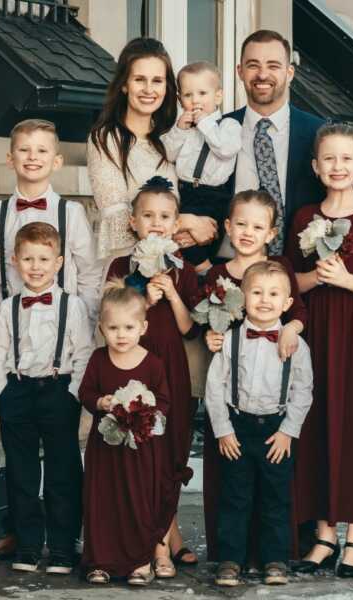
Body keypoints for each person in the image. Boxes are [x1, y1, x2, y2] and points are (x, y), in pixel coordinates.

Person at [285, 124, 353, 577]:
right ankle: (324, 535)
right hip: (316, 334)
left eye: (346, 159)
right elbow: (291, 281)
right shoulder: (305, 216)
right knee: (316, 426)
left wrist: (346, 278)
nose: (337, 167)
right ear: (316, 166)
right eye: (328, 159)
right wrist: (317, 276)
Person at [201, 189, 307, 563]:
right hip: (233, 396)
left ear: (270, 232)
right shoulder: (217, 273)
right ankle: (230, 557)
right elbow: (208, 319)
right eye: (241, 224)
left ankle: (273, 558)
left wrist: (291, 328)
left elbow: (299, 312)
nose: (247, 232)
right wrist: (210, 334)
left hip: (274, 400)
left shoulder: (280, 269)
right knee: (233, 491)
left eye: (257, 225)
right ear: (228, 228)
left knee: (276, 494)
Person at [105, 177, 201, 571]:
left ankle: (166, 534)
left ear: (176, 222)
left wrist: (173, 293)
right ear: (133, 221)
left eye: (164, 216)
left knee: (172, 449)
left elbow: (188, 329)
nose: (156, 223)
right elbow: (112, 318)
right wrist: (144, 297)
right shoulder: (119, 266)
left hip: (171, 367)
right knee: (141, 452)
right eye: (148, 216)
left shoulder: (185, 269)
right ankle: (154, 540)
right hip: (132, 365)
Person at [0, 222, 94, 574]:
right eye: (28, 258)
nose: (36, 266)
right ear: (15, 261)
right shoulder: (7, 308)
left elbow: (83, 355)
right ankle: (28, 544)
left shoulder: (73, 306)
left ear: (59, 262)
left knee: (63, 471)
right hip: (17, 391)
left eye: (44, 259)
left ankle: (64, 546)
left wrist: (71, 395)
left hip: (58, 391)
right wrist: (3, 391)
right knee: (21, 471)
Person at [173, 29, 324, 258]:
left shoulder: (318, 132)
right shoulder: (214, 130)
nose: (262, 74)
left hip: (295, 269)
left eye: (273, 65)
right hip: (222, 264)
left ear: (290, 72)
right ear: (240, 71)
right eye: (253, 65)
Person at [87, 37, 217, 261]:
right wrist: (185, 222)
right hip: (127, 268)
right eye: (139, 79)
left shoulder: (173, 137)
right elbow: (118, 223)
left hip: (175, 266)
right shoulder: (106, 138)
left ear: (167, 88)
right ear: (125, 85)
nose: (149, 89)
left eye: (157, 81)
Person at [78, 282, 174, 586]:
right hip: (105, 448)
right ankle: (101, 561)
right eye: (113, 328)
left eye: (129, 327)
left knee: (137, 500)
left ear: (143, 327)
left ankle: (139, 561)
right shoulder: (98, 360)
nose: (121, 334)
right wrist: (101, 402)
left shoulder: (153, 364)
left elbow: (164, 402)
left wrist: (146, 410)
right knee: (103, 500)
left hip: (140, 450)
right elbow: (85, 392)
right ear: (102, 329)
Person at [0, 119, 101, 323]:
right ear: (10, 159)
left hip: (63, 326)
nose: (32, 157)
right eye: (24, 149)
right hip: (12, 325)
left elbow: (89, 274)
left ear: (57, 161)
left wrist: (85, 322)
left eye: (42, 150)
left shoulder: (72, 213)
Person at [162, 61, 242, 272]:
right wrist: (179, 129)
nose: (195, 100)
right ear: (180, 100)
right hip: (186, 192)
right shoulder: (183, 128)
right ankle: (205, 273)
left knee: (210, 237)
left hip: (214, 195)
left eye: (202, 93)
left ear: (218, 96)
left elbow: (224, 149)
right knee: (181, 236)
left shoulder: (228, 126)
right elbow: (168, 154)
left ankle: (208, 271)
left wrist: (205, 123)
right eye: (188, 95)